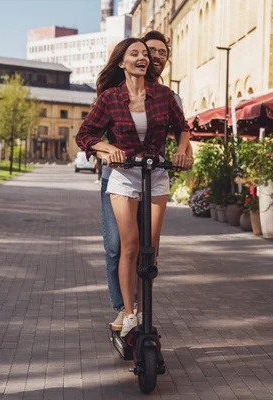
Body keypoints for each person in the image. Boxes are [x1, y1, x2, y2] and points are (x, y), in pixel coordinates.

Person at [76, 37, 191, 336]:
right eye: (135, 53)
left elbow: (182, 127)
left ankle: (144, 311)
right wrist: (106, 148)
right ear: (121, 62)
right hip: (123, 176)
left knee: (148, 249)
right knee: (127, 247)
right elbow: (85, 135)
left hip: (155, 173)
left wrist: (181, 152)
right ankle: (128, 313)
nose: (144, 57)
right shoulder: (110, 98)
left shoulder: (164, 96)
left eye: (147, 54)